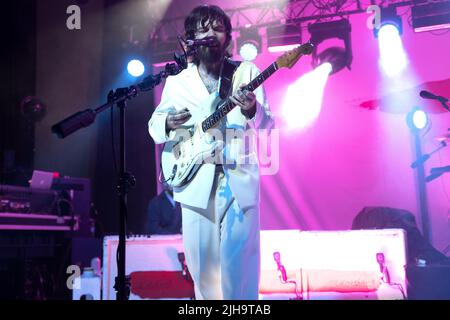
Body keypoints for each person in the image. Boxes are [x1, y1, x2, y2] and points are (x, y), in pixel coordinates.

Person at [148, 4, 274, 300]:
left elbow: (267, 124)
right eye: (203, 29)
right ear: (191, 38)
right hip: (193, 183)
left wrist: (252, 109)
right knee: (203, 273)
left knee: (239, 269)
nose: (211, 35)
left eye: (217, 29)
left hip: (238, 182)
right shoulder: (178, 82)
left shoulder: (246, 71)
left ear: (228, 37)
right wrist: (167, 122)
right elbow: (154, 127)